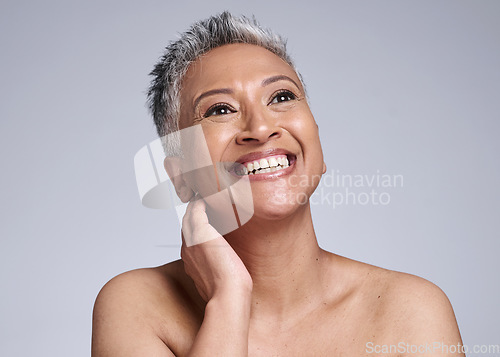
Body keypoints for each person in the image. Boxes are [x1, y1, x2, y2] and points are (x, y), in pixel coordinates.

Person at [92, 12, 464, 356]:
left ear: (316, 138)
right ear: (181, 176)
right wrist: (228, 301)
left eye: (282, 97)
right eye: (220, 109)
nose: (261, 127)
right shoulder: (136, 306)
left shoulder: (411, 311)